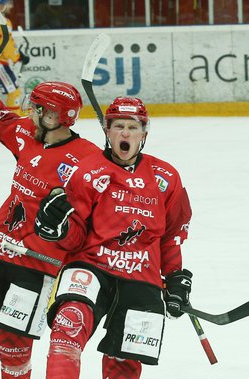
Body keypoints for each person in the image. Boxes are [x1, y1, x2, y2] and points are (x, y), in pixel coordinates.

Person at [0, 59, 101, 379]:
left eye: (37, 108)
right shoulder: (25, 134)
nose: (29, 112)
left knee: (13, 346)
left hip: (40, 263)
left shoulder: (88, 161)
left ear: (56, 116)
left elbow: (91, 226)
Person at [34, 97, 194, 378]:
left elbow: (171, 235)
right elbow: (75, 236)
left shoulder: (166, 177)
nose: (125, 133)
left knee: (124, 365)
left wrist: (175, 276)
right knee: (67, 329)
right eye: (118, 126)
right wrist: (58, 229)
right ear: (107, 131)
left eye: (133, 127)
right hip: (92, 266)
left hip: (142, 276)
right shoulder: (87, 172)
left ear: (144, 133)